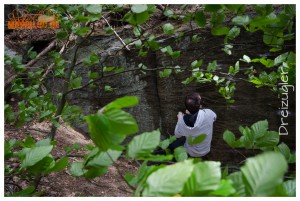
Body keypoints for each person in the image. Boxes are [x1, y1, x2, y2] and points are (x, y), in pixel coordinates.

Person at [169, 92, 216, 158]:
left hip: (191, 152)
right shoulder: (209, 113)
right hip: (205, 150)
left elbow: (177, 135)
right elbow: (214, 118)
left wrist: (180, 118)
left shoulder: (182, 122)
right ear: (200, 106)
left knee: (172, 145)